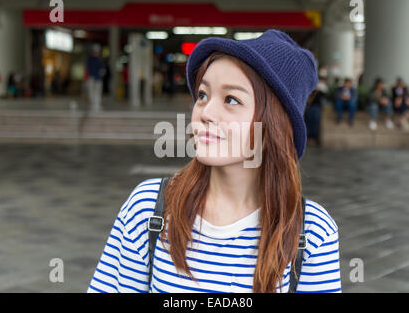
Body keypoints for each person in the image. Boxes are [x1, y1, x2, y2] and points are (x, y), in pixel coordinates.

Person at [88, 29, 341, 293]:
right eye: (202, 95)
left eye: (231, 99)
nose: (205, 113)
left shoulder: (311, 232)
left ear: (274, 125)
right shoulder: (149, 208)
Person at [305, 75, 329, 145]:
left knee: (315, 122)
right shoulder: (314, 89)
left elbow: (325, 100)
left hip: (317, 107)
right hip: (310, 106)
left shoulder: (324, 90)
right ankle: (308, 137)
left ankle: (313, 138)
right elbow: (309, 98)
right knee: (309, 121)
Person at [86, 44, 105, 112]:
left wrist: (101, 73)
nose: (96, 52)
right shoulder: (90, 59)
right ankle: (93, 105)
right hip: (92, 78)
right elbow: (88, 69)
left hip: (98, 79)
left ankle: (97, 105)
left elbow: (102, 69)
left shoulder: (99, 60)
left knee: (98, 92)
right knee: (91, 92)